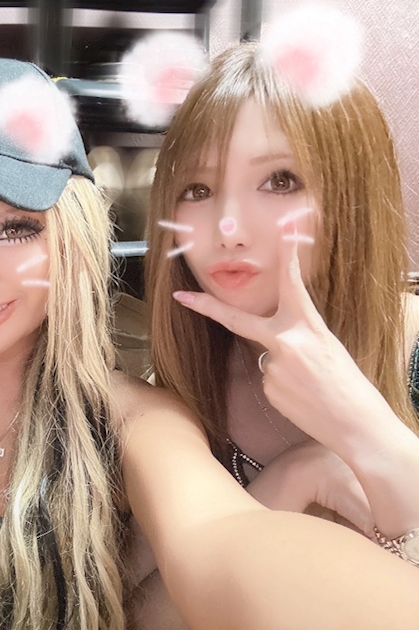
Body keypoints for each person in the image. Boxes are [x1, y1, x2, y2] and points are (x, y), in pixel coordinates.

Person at [0, 56, 419, 630]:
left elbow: (222, 545)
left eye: (15, 229)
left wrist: (295, 481)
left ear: (72, 233)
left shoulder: (134, 413)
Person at [138, 6, 419, 625]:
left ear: (349, 194)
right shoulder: (177, 394)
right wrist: (295, 478)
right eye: (198, 190)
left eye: (280, 181)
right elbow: (138, 615)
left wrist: (365, 430)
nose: (228, 229)